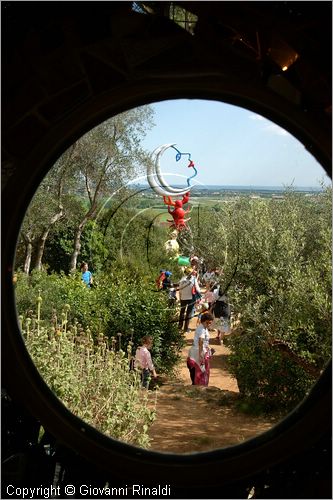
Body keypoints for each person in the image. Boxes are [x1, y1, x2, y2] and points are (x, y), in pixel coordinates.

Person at [187, 312, 214, 386]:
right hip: (198, 352)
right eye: (207, 322)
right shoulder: (202, 329)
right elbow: (201, 341)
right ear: (203, 321)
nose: (209, 324)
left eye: (210, 323)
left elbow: (203, 341)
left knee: (197, 372)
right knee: (199, 373)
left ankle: (196, 387)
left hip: (197, 351)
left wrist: (208, 347)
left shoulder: (202, 327)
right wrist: (201, 354)